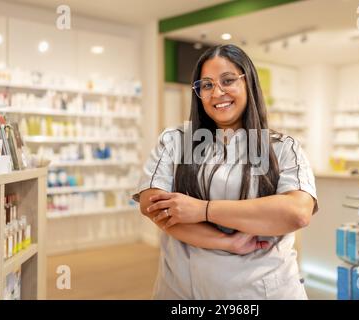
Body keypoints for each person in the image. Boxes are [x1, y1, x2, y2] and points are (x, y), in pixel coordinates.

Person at [135, 44, 318, 299]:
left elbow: (296, 213)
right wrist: (227, 241)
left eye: (228, 80)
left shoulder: (283, 148)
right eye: (207, 85)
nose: (217, 93)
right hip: (184, 290)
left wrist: (201, 210)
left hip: (260, 291)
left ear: (249, 83)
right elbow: (151, 205)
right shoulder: (176, 141)